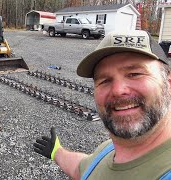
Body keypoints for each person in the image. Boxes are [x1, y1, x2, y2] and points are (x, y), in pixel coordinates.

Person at [33, 30, 171, 179]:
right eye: (104, 80)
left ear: (168, 83)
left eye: (134, 74)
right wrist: (57, 152)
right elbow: (83, 169)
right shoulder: (109, 149)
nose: (118, 90)